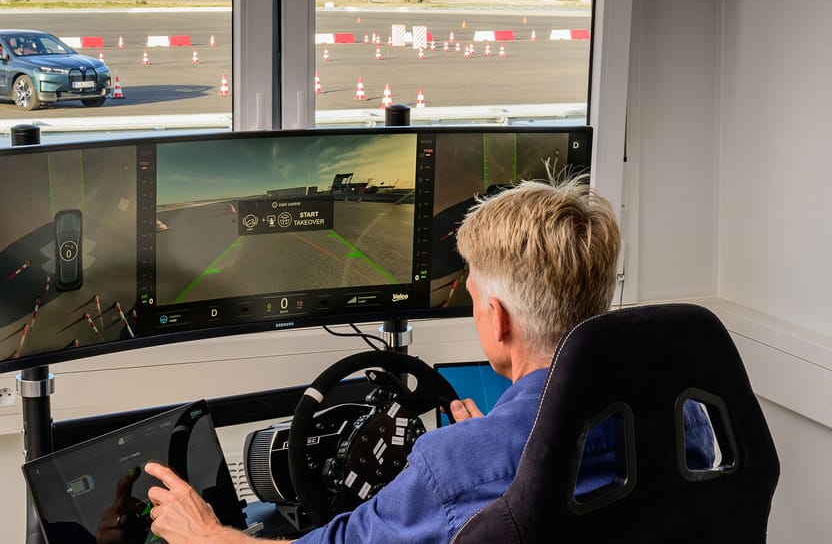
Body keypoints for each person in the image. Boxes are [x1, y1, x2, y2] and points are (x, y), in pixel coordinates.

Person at [143, 178, 714, 543]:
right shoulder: (682, 418)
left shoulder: (461, 465)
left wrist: (207, 535)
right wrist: (501, 462)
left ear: (497, 318)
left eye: (469, 297)